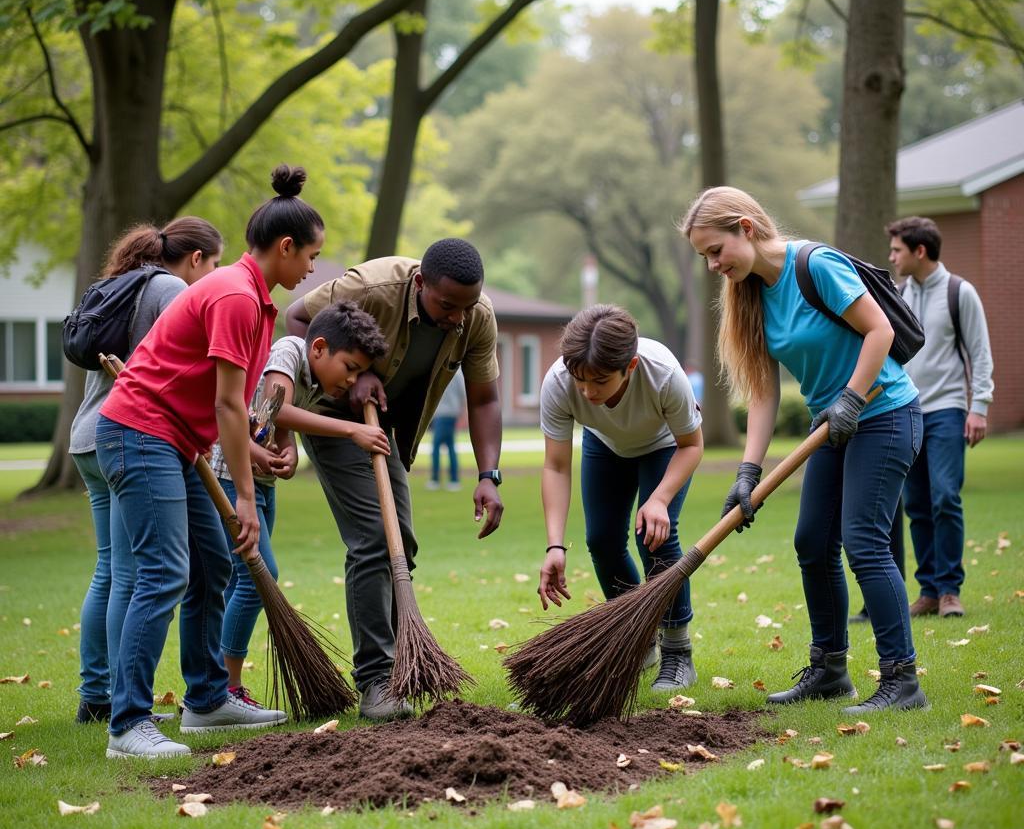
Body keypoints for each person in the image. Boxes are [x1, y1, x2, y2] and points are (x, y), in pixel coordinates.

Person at [95, 165, 323, 758]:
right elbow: (227, 403)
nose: (313, 270)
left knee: (212, 564)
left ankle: (205, 700)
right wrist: (246, 497)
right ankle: (127, 725)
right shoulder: (234, 297)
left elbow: (226, 411)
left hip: (176, 442)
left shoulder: (253, 300)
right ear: (285, 247)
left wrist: (256, 452)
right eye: (311, 256)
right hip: (138, 435)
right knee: (164, 572)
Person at [682, 186, 927, 715]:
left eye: (715, 250)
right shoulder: (750, 296)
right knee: (812, 542)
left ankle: (901, 680)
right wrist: (748, 472)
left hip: (883, 414)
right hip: (833, 427)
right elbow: (765, 395)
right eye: (704, 256)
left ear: (746, 227)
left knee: (863, 541)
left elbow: (879, 331)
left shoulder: (816, 265)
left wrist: (851, 399)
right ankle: (830, 670)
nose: (712, 265)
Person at [285, 238, 503, 721]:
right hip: (335, 418)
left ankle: (400, 667)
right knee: (373, 540)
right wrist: (353, 376)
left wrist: (489, 475)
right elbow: (297, 318)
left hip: (391, 432)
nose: (458, 318)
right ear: (421, 283)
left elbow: (484, 399)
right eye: (447, 306)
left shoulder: (477, 316)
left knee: (401, 542)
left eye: (467, 306)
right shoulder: (373, 287)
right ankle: (377, 680)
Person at [70, 218, 222, 724]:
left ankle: (96, 694)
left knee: (110, 570)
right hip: (134, 436)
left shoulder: (118, 284)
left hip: (88, 438)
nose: (213, 275)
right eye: (213, 263)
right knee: (136, 574)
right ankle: (118, 700)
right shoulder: (172, 288)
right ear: (195, 258)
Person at [209, 302, 390, 704]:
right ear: (320, 348)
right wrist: (351, 430)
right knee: (259, 576)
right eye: (350, 367)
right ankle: (226, 687)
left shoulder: (312, 375)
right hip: (227, 476)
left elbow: (272, 418)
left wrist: (286, 450)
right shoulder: (290, 349)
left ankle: (219, 684)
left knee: (244, 580)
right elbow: (276, 408)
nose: (353, 380)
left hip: (260, 484)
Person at [537, 305, 704, 690]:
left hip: (665, 445)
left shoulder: (662, 373)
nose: (587, 391)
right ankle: (637, 639)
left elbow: (692, 445)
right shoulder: (560, 382)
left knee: (655, 536)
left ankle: (678, 652)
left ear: (629, 366)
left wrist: (660, 499)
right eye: (580, 380)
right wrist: (555, 545)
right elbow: (556, 467)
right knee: (601, 541)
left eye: (598, 381)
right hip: (605, 442)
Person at [888, 215, 994, 619]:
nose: (892, 257)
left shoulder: (959, 292)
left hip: (948, 409)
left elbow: (979, 353)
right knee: (915, 501)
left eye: (897, 249)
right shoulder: (898, 293)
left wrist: (979, 407)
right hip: (907, 411)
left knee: (945, 497)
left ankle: (951, 590)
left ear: (920, 251)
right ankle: (929, 590)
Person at [428, 369, 466, 490]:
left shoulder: (441, 370)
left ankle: (435, 479)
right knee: (450, 447)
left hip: (443, 414)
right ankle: (454, 480)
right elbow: (463, 395)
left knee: (436, 447)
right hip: (450, 414)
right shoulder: (458, 373)